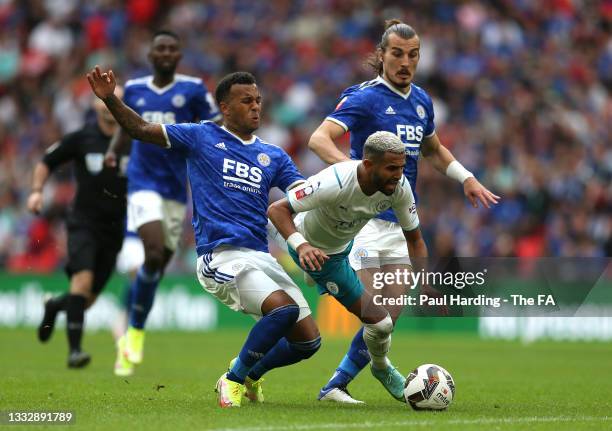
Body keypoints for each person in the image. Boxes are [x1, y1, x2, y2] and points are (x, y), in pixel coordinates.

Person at [87, 67, 321, 407]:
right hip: (222, 256)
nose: (256, 107)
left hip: (261, 257)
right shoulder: (200, 137)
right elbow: (139, 129)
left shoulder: (274, 155)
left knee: (308, 344)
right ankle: (234, 378)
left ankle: (252, 373)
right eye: (246, 101)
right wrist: (110, 98)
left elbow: (304, 194)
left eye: (258, 100)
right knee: (283, 312)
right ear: (224, 107)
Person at [307, 19, 500, 402]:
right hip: (360, 219)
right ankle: (374, 370)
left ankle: (341, 383)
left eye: (413, 55)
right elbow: (318, 138)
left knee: (387, 321)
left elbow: (433, 150)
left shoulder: (422, 101)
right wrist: (350, 172)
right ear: (381, 56)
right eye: (397, 54)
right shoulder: (364, 97)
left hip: (400, 219)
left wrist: (466, 178)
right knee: (372, 309)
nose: (405, 62)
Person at [268, 131, 431, 402]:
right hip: (306, 244)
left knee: (383, 323)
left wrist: (426, 282)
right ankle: (240, 374)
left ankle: (376, 369)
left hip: (337, 252)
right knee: (375, 317)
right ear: (368, 165)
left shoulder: (399, 188)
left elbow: (415, 240)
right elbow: (276, 210)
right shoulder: (335, 180)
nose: (398, 175)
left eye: (401, 168)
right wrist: (301, 245)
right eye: (392, 168)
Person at [104, 30, 221, 376]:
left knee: (153, 270)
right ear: (151, 55)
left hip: (174, 190)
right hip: (142, 182)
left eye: (173, 48)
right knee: (152, 254)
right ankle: (133, 336)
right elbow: (127, 126)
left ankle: (134, 331)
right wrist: (113, 152)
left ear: (179, 54)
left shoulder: (194, 90)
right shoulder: (136, 89)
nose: (167, 53)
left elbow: (214, 130)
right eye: (161, 49)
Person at [29, 85, 127, 368]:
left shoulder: (132, 139)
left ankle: (54, 306)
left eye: (116, 100)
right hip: (83, 223)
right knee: (81, 282)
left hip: (114, 228)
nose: (109, 104)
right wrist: (36, 191)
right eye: (105, 100)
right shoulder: (82, 138)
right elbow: (46, 162)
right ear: (96, 104)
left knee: (86, 301)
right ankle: (75, 351)